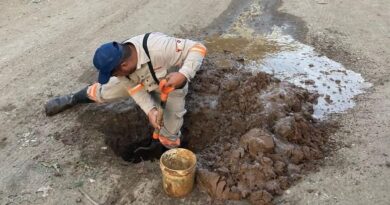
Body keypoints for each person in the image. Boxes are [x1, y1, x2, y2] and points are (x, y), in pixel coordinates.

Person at [44, 32, 207, 149]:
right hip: (139, 81)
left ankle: (166, 151)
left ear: (123, 66)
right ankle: (73, 98)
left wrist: (183, 74)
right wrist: (150, 111)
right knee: (103, 91)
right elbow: (135, 90)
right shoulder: (123, 67)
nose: (113, 76)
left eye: (113, 74)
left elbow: (198, 48)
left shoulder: (159, 47)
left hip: (170, 86)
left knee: (171, 130)